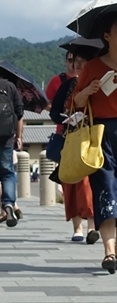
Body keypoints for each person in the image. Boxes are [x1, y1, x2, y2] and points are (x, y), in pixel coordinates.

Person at [73, 12, 117, 272]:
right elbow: (75, 103)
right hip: (101, 133)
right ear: (107, 37)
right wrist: (87, 92)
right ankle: (110, 251)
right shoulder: (92, 67)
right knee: (106, 188)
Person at [50, 47, 99, 243]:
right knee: (70, 182)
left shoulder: (97, 84)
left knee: (88, 182)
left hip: (92, 137)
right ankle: (77, 227)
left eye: (83, 59)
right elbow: (54, 112)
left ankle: (92, 227)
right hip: (70, 138)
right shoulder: (67, 85)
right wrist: (67, 117)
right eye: (75, 59)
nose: (78, 63)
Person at [0, 51, 24, 226]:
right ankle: (9, 204)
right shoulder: (9, 86)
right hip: (6, 137)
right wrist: (18, 136)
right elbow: (19, 114)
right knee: (7, 173)